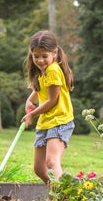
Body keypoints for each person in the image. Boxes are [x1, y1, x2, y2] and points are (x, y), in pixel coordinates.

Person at [21, 30, 75, 184]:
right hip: (46, 122)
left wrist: (32, 114)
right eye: (36, 56)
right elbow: (39, 90)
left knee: (51, 162)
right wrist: (29, 100)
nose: (40, 60)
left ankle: (63, 197)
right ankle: (57, 194)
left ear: (55, 53)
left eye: (44, 56)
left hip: (60, 121)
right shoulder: (41, 71)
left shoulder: (53, 70)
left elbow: (52, 100)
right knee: (39, 169)